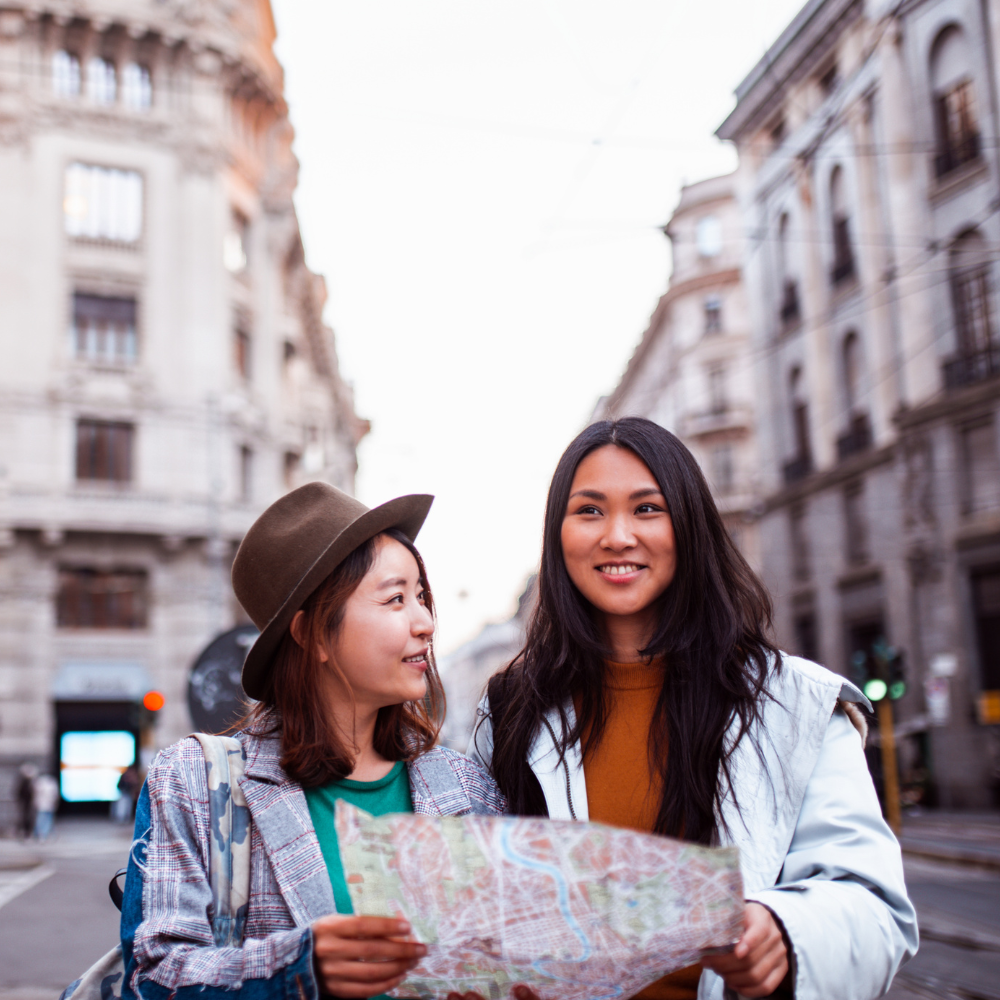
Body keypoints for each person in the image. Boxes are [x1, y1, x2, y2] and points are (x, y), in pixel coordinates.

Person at [470, 417, 918, 1000]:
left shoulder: (794, 703)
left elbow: (877, 911)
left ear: (688, 526)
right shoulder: (509, 709)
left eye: (647, 509)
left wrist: (785, 932)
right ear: (558, 536)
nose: (618, 535)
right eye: (589, 511)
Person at [122, 483, 506, 1000]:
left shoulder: (466, 787)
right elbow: (152, 976)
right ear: (314, 634)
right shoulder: (194, 782)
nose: (426, 623)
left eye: (421, 596)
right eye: (395, 599)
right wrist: (298, 969)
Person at [32, 772, 59, 842]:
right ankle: (40, 834)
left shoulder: (44, 783)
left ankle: (43, 834)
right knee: (42, 819)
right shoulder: (42, 783)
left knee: (46, 820)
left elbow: (54, 794)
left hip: (47, 804)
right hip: (43, 804)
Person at [16, 763, 37, 839]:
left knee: (29, 817)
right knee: (24, 817)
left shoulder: (32, 783)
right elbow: (19, 793)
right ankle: (25, 832)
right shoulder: (23, 783)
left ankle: (28, 832)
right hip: (25, 803)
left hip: (30, 803)